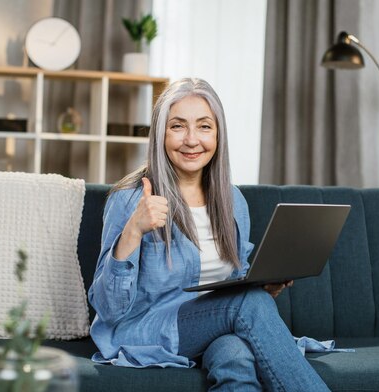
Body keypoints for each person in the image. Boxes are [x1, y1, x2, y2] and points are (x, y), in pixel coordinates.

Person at [88, 78, 330, 391]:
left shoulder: (233, 201)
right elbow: (109, 309)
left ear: (218, 134)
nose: (192, 140)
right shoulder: (130, 199)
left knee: (235, 356)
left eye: (204, 126)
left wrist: (265, 288)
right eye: (177, 126)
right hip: (149, 329)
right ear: (160, 133)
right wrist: (133, 230)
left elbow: (236, 282)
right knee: (248, 305)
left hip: (215, 327)